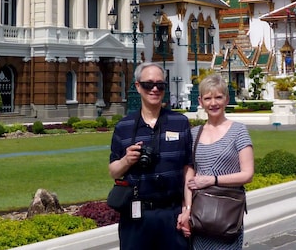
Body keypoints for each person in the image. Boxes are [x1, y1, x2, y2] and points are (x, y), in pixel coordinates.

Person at [109, 62, 194, 250]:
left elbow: (188, 168)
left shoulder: (179, 122)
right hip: (136, 214)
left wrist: (187, 209)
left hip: (171, 213)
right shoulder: (124, 126)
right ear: (138, 86)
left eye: (160, 85)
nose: (154, 89)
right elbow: (113, 171)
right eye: (148, 84)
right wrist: (126, 160)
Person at [178, 73, 254, 249]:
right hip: (200, 215)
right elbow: (189, 178)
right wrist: (187, 210)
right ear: (200, 101)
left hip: (227, 215)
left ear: (226, 100)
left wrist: (213, 180)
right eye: (208, 98)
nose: (213, 103)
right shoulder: (194, 134)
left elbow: (248, 174)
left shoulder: (239, 131)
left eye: (218, 97)